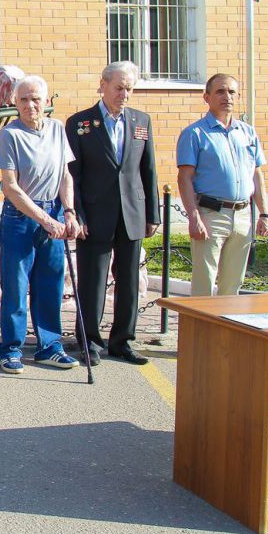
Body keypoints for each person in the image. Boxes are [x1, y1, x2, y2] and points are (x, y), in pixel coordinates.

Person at [67, 61, 159, 367]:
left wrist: (152, 214)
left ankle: (122, 342)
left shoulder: (141, 121)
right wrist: (77, 214)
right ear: (103, 85)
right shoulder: (80, 123)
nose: (124, 94)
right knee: (92, 281)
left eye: (129, 89)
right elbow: (73, 175)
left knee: (129, 281)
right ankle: (89, 342)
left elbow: (148, 170)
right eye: (119, 88)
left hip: (131, 212)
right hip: (95, 214)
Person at [0, 75, 80, 374]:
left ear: (47, 102)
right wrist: (44, 219)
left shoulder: (57, 129)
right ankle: (11, 348)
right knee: (16, 286)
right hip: (20, 216)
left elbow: (65, 175)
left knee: (50, 283)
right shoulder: (10, 135)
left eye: (36, 99)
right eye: (24, 100)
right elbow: (10, 187)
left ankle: (50, 346)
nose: (30, 105)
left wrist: (69, 212)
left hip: (54, 211)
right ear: (15, 103)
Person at [176, 73, 268, 296]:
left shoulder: (247, 132)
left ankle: (227, 320)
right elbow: (184, 178)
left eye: (231, 92)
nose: (227, 96)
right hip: (210, 214)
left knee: (233, 283)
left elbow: (256, 174)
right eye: (220, 91)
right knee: (205, 282)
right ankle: (200, 321)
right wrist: (194, 217)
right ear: (207, 97)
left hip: (243, 215)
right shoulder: (194, 133)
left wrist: (265, 213)